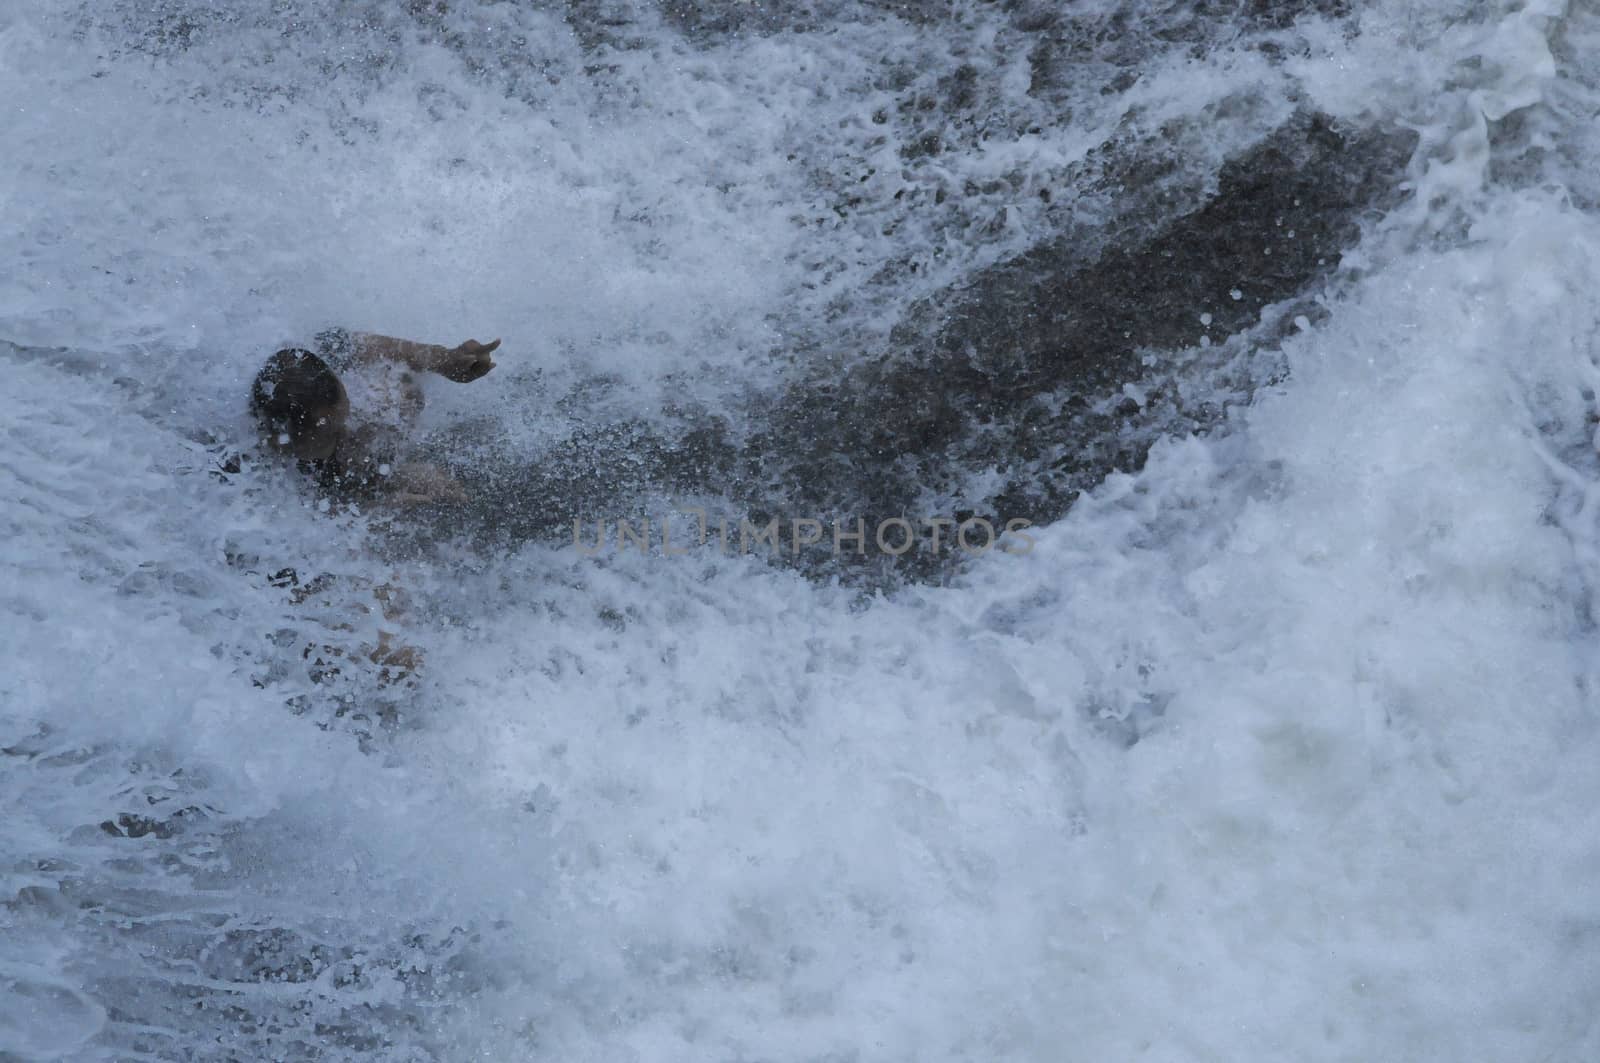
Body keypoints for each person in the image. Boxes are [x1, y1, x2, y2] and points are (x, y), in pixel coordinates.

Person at [249, 328, 501, 505]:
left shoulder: (329, 349)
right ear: (280, 439)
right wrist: (379, 501)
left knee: (398, 392)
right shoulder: (252, 471)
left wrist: (446, 360)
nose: (346, 431)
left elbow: (396, 351)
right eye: (333, 433)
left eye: (343, 418)